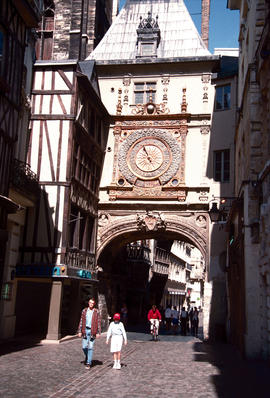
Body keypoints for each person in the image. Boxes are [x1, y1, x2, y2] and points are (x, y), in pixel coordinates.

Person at [77, 298, 101, 369]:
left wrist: (98, 332)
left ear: (94, 304)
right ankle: (88, 357)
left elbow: (98, 322)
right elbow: (81, 321)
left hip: (92, 331)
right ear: (88, 303)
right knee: (84, 347)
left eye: (92, 303)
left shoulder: (96, 311)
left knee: (90, 347)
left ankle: (88, 363)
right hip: (85, 331)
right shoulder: (84, 311)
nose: (91, 304)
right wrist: (79, 331)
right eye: (90, 303)